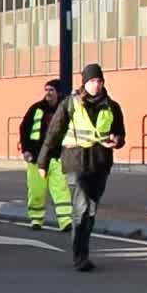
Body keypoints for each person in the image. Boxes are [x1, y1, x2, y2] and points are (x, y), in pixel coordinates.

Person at [37, 63, 127, 272]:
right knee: (82, 208)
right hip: (75, 161)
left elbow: (120, 133)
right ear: (84, 83)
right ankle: (80, 256)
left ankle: (82, 250)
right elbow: (54, 133)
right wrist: (43, 161)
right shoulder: (70, 104)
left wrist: (117, 140)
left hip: (100, 163)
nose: (96, 85)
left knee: (91, 210)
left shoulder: (112, 106)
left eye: (99, 81)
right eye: (92, 81)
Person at [18, 81, 73, 232]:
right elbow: (24, 129)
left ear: (58, 93)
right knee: (36, 190)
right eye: (46, 90)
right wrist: (26, 150)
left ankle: (66, 221)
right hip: (36, 157)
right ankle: (36, 219)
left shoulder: (66, 109)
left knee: (61, 189)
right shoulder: (36, 108)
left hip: (57, 156)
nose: (48, 93)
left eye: (51, 90)